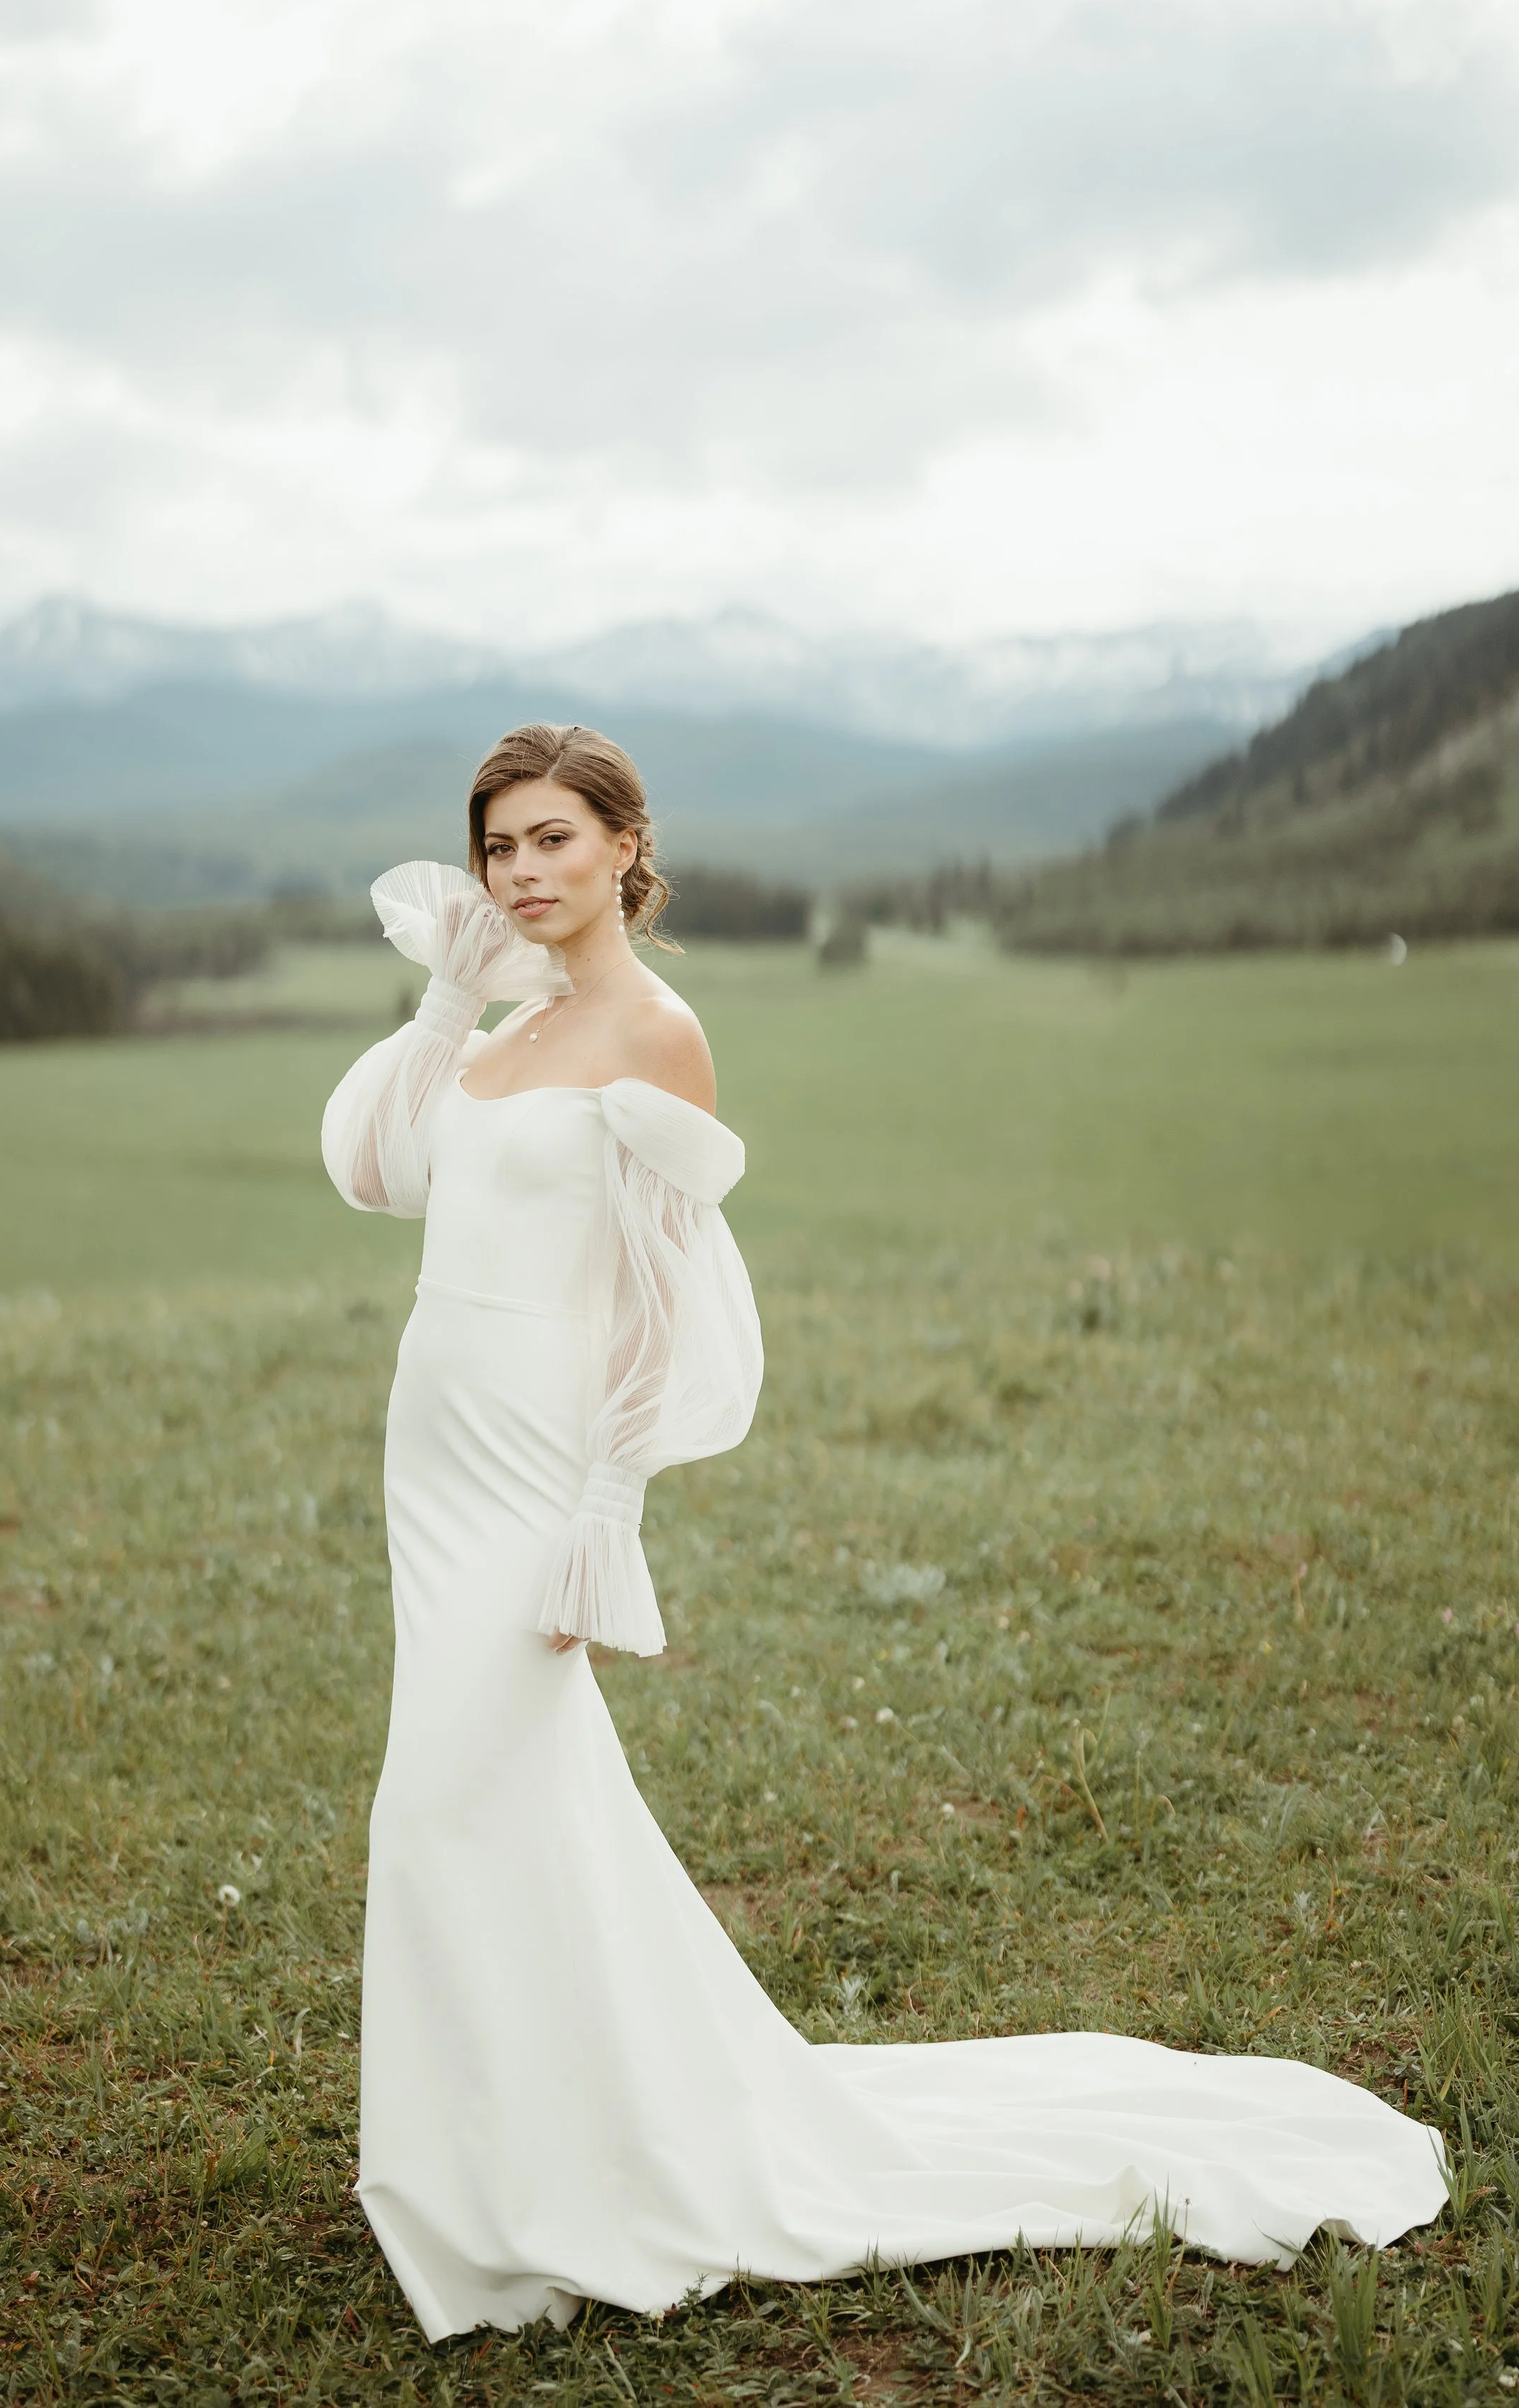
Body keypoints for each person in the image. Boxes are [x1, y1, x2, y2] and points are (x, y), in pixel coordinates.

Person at [321, 721, 1446, 2344]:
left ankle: (544, 2170)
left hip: (529, 1468)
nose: (520, 872)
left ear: (625, 849)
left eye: (552, 839)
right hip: (429, 1453)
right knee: (488, 1799)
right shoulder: (509, 1021)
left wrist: (601, 1513)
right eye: (499, 846)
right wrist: (443, 993)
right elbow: (373, 1168)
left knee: (448, 1795)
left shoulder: (653, 1034)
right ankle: (494, 2150)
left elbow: (666, 1307)